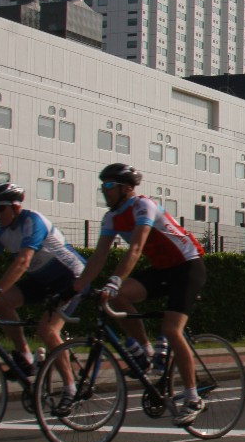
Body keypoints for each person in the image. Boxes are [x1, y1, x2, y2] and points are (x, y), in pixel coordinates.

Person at [70, 164, 207, 425]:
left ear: (126, 188)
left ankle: (193, 398)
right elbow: (98, 257)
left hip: (188, 266)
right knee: (118, 297)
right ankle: (145, 352)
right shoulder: (111, 217)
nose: (104, 190)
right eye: (102, 185)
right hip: (163, 269)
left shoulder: (143, 206)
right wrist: (75, 288)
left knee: (171, 329)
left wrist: (114, 280)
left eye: (109, 185)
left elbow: (135, 248)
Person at [0, 183, 87, 381]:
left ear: (16, 207)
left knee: (47, 330)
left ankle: (70, 388)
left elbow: (23, 261)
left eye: (0, 208)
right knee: (1, 303)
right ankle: (26, 357)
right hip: (42, 280)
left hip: (71, 278)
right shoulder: (0, 231)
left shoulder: (32, 221)